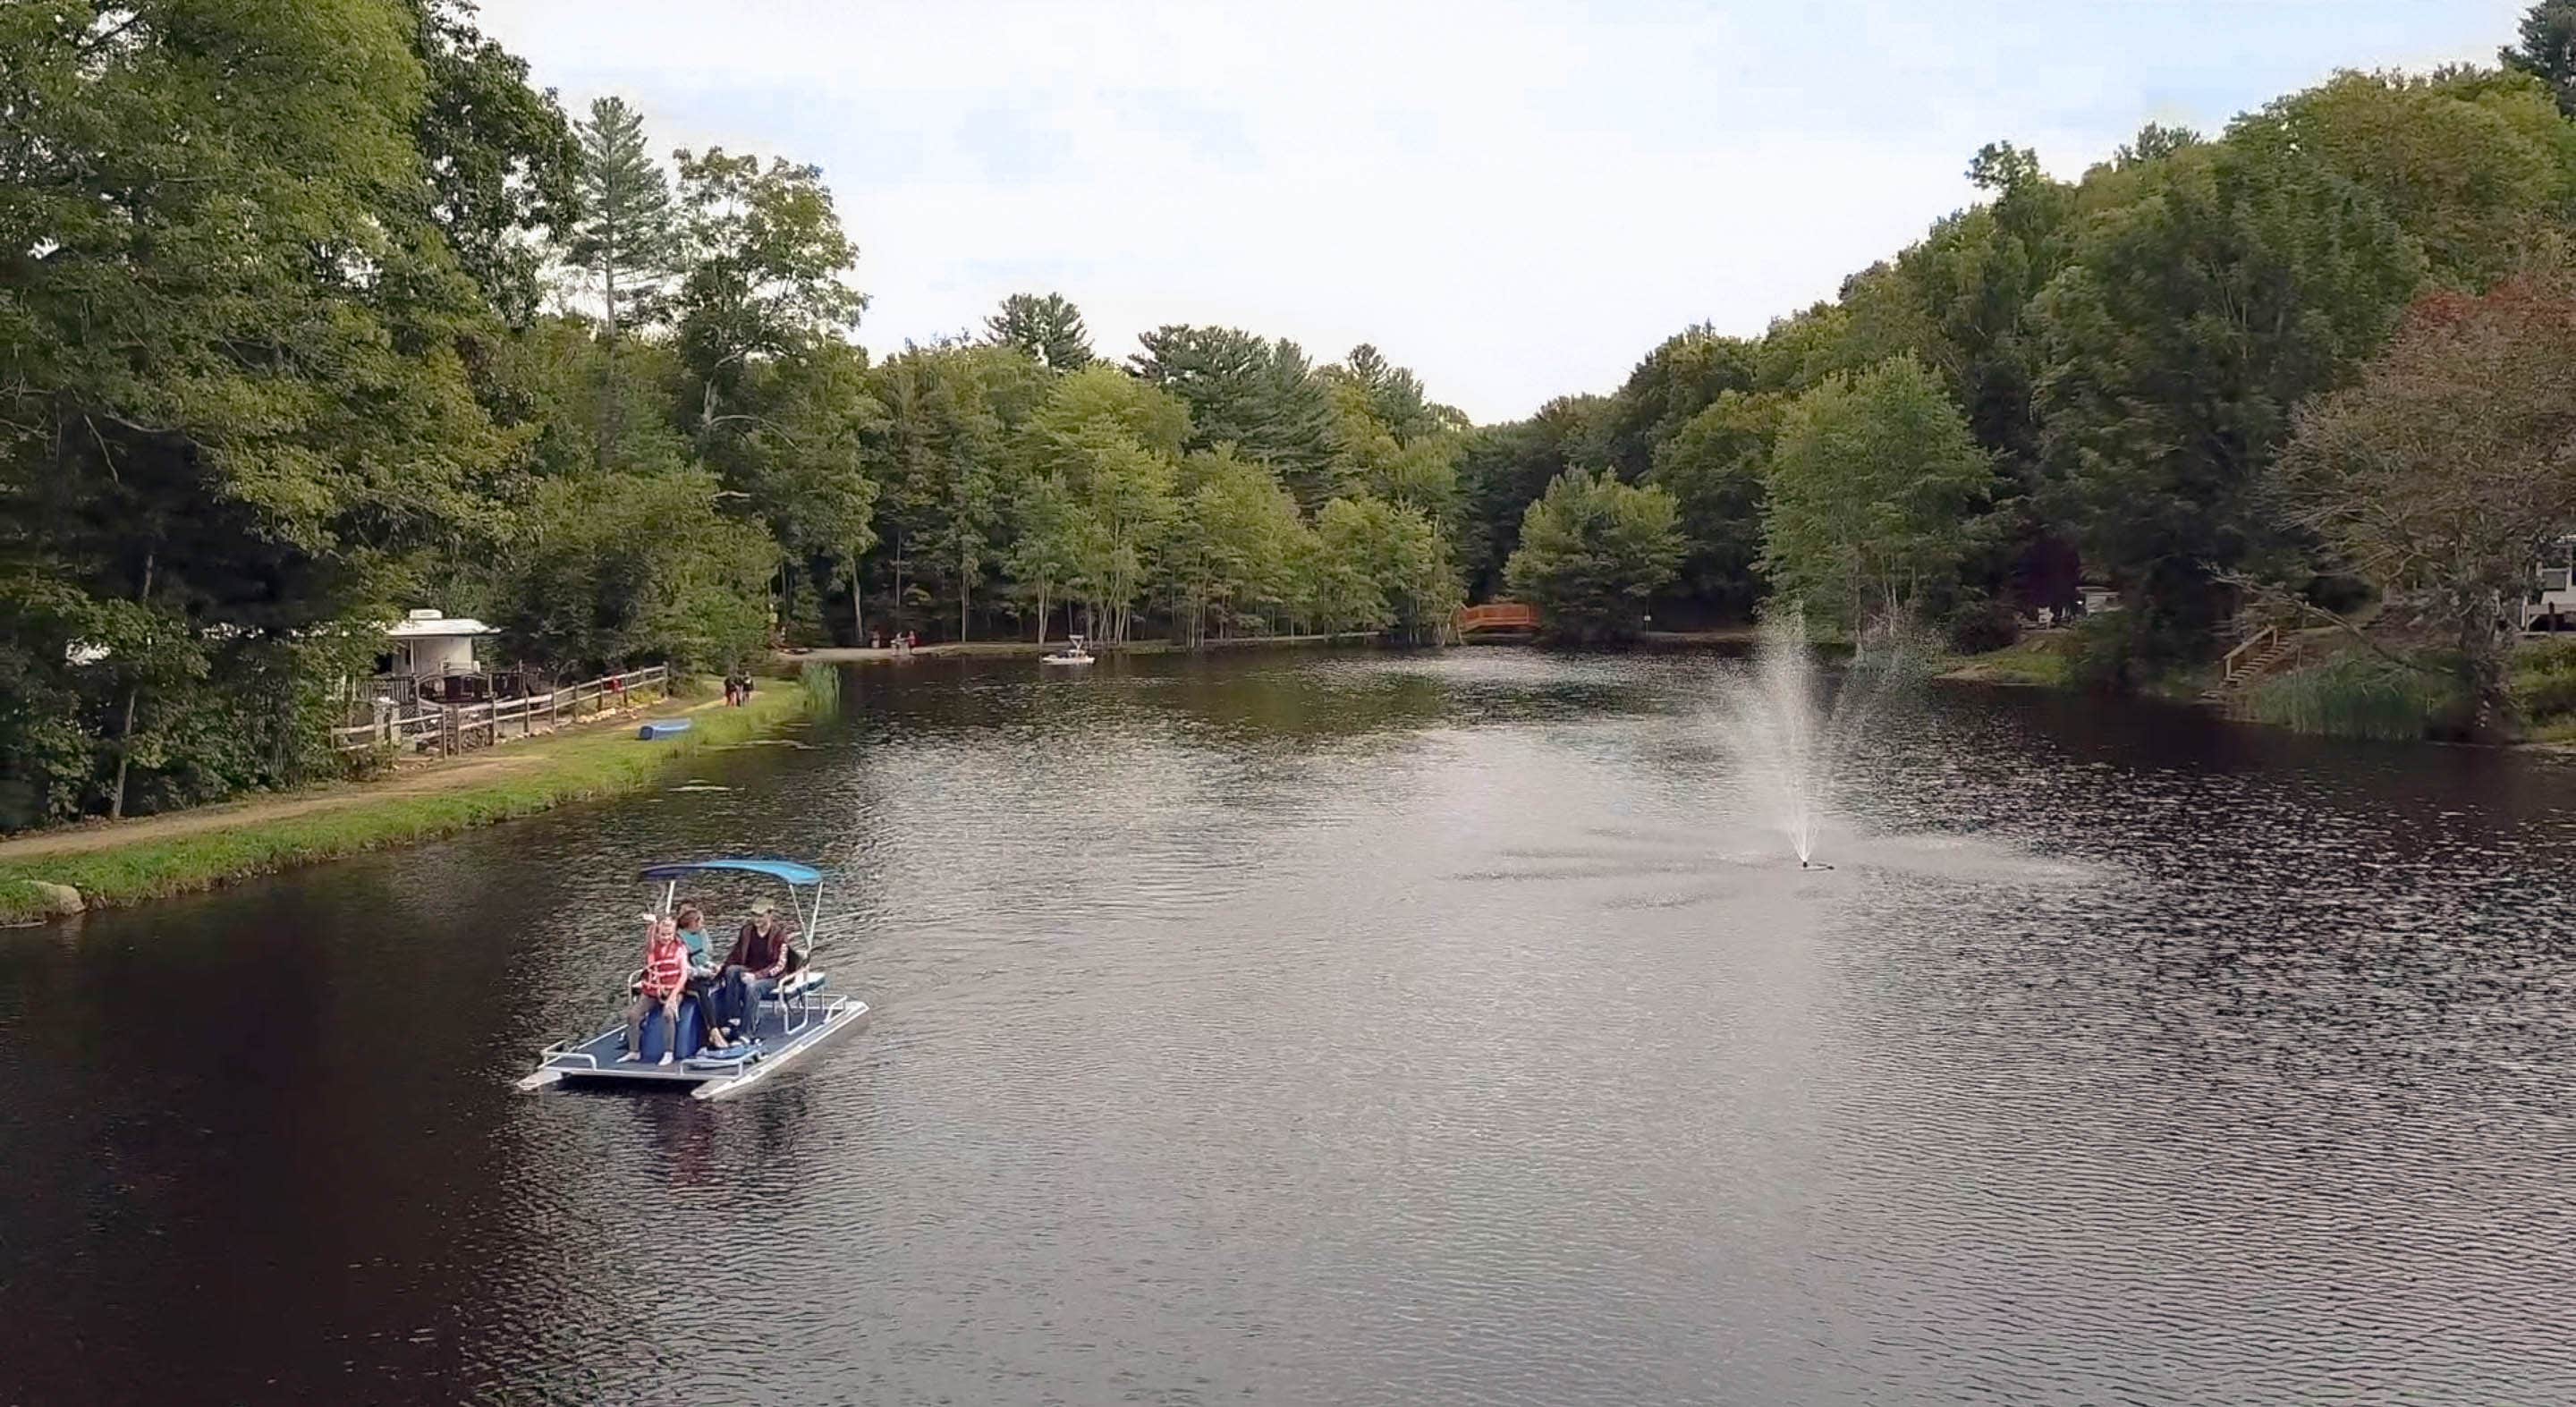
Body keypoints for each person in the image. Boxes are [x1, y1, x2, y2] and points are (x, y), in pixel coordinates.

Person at [718, 899, 798, 1038]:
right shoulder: (747, 931)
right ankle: (734, 1018)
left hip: (773, 977)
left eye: (760, 916)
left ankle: (747, 1033)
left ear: (770, 914)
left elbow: (780, 965)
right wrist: (721, 969)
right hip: (751, 969)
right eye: (754, 915)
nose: (757, 919)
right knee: (731, 971)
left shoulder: (780, 935)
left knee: (753, 987)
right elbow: (735, 954)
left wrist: (757, 976)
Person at [623, 916, 691, 1065]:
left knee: (668, 1014)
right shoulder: (652, 948)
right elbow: (649, 941)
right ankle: (634, 1051)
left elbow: (683, 975)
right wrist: (652, 925)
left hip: (673, 990)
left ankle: (669, 1052)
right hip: (652, 991)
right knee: (633, 1015)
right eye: (663, 934)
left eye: (669, 934)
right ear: (658, 934)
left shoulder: (679, 949)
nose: (666, 938)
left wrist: (673, 997)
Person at [674, 905, 731, 1050]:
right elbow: (687, 968)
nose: (702, 925)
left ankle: (725, 1023)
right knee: (702, 991)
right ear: (692, 923)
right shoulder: (679, 940)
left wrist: (712, 967)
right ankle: (713, 1031)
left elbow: (701, 959)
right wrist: (705, 973)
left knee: (724, 977)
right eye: (700, 922)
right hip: (683, 978)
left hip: (697, 972)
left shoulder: (697, 936)